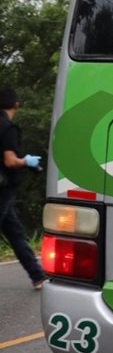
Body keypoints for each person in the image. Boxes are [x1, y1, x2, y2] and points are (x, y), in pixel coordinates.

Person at [0, 88, 47, 289]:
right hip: (2, 188)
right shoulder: (8, 127)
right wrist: (26, 161)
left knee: (15, 232)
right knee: (14, 231)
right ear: (15, 104)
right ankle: (37, 276)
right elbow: (10, 161)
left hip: (4, 190)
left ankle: (37, 276)